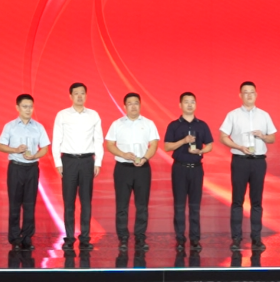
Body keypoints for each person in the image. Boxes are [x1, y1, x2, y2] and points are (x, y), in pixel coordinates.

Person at [219, 81, 276, 251]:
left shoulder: (264, 115)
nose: (249, 95)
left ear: (256, 95)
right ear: (240, 95)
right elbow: (223, 136)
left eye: (252, 92)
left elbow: (272, 138)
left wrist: (263, 136)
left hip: (258, 161)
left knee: (256, 201)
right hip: (240, 160)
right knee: (237, 200)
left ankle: (256, 238)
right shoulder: (233, 115)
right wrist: (238, 146)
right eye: (245, 92)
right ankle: (236, 239)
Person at [105, 92, 160, 251]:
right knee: (122, 205)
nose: (133, 106)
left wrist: (145, 158)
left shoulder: (149, 123)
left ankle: (140, 238)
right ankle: (123, 238)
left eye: (136, 103)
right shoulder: (117, 124)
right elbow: (110, 145)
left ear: (140, 105)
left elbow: (154, 145)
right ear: (124, 106)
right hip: (123, 168)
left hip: (142, 168)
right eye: (130, 103)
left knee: (142, 205)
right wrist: (123, 154)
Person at [52, 82, 103, 250]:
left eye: (82, 93)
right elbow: (56, 139)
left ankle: (85, 238)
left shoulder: (93, 115)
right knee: (69, 202)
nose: (80, 96)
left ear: (86, 95)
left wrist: (98, 161)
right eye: (76, 93)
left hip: (88, 161)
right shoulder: (62, 115)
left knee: (86, 202)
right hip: (69, 161)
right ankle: (69, 237)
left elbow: (98, 140)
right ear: (70, 96)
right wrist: (58, 162)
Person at [0, 94, 50, 251]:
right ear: (17, 108)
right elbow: (0, 146)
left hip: (32, 168)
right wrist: (15, 150)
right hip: (16, 168)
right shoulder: (10, 126)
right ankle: (14, 239)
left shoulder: (38, 127)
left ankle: (27, 238)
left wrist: (35, 155)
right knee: (14, 204)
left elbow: (45, 148)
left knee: (29, 204)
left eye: (31, 107)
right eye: (25, 106)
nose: (28, 109)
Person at [163, 92, 214, 252]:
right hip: (179, 168)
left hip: (196, 169)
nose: (190, 105)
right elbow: (167, 147)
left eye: (192, 102)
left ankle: (195, 239)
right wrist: (183, 141)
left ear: (196, 105)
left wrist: (201, 150)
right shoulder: (174, 125)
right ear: (180, 105)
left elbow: (210, 145)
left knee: (195, 205)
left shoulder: (202, 125)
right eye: (186, 102)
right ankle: (180, 239)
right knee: (179, 205)